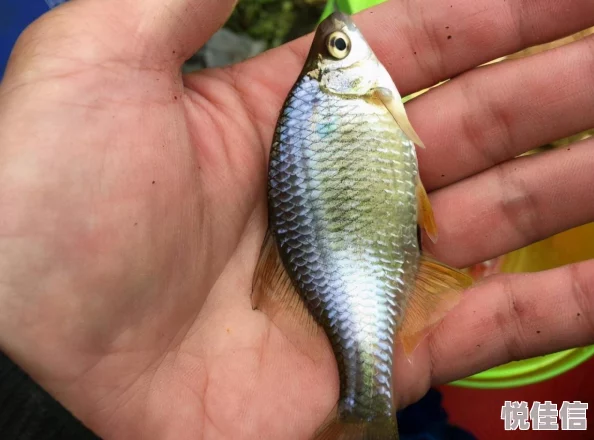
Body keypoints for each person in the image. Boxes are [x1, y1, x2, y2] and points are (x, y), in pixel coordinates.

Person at [0, 0, 592, 438]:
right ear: (342, 75)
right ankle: (369, 404)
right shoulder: (353, 99)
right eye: (340, 50)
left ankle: (370, 407)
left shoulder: (348, 100)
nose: (344, 40)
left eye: (336, 47)